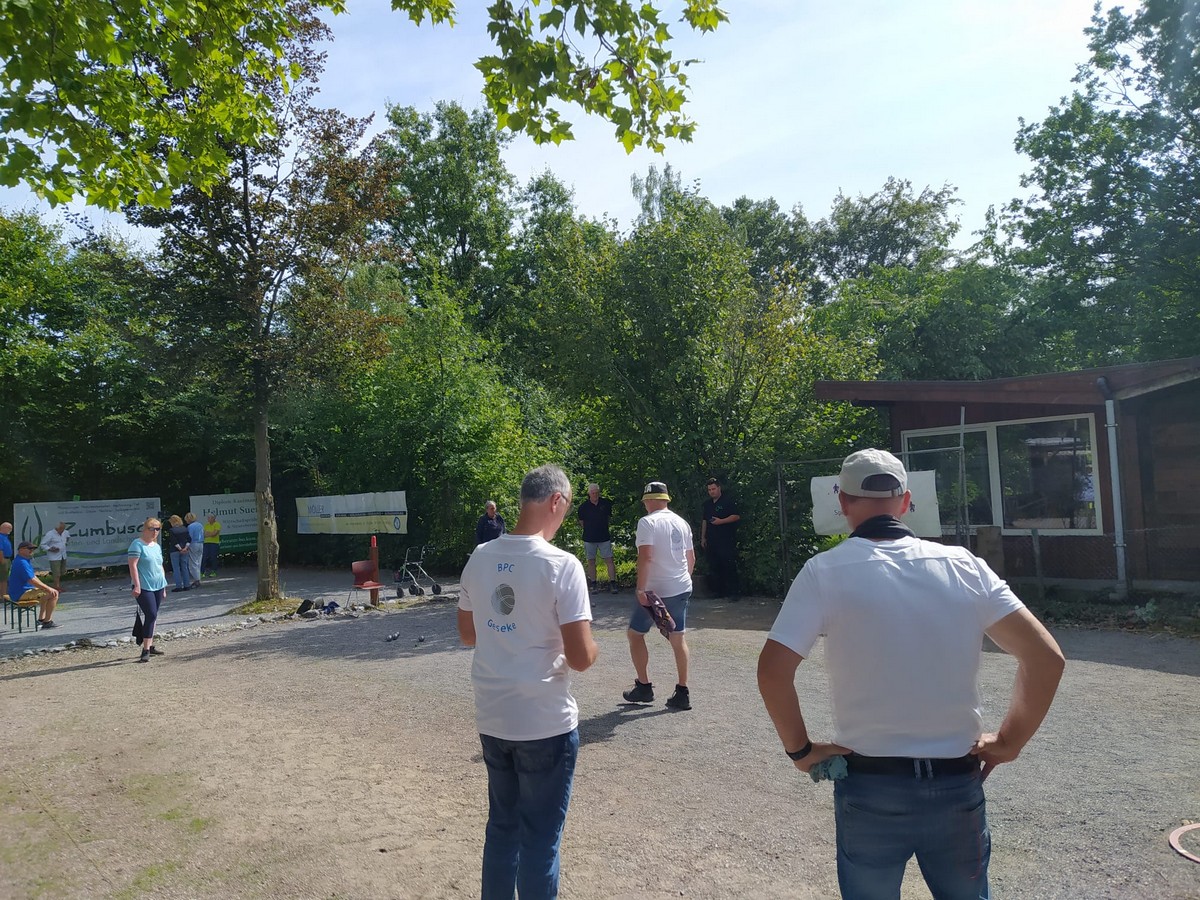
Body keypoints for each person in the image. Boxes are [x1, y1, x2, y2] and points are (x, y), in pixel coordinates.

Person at [757, 449, 1066, 899]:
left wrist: (801, 751)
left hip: (869, 784)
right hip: (956, 780)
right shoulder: (963, 565)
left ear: (841, 502)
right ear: (905, 502)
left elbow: (772, 671)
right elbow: (1045, 658)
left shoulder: (824, 572)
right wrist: (1008, 742)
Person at [458, 464, 599, 900]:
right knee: (540, 838)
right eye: (567, 508)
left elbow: (467, 635)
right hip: (543, 721)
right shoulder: (562, 565)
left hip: (493, 715)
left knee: (502, 829)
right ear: (556, 500)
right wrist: (594, 646)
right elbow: (581, 659)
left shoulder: (479, 557)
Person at [622, 481, 695, 711]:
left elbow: (646, 557)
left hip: (654, 591)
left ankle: (644, 686)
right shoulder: (682, 523)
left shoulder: (647, 522)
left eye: (645, 501)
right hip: (680, 586)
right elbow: (690, 558)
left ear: (650, 500)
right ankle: (682, 692)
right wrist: (682, 581)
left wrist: (641, 589)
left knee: (635, 634)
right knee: (677, 638)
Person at [128, 518, 168, 663]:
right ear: (144, 529)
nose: (155, 532)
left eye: (158, 529)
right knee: (151, 614)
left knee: (153, 616)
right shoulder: (137, 544)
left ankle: (149, 645)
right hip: (144, 586)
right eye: (152, 528)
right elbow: (133, 565)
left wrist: (164, 586)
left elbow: (159, 566)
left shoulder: (156, 546)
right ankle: (145, 650)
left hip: (158, 585)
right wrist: (137, 585)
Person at [701, 476, 741, 601]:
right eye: (709, 490)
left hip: (726, 539)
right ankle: (719, 591)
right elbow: (704, 521)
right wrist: (703, 537)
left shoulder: (727, 501)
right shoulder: (707, 504)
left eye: (713, 489)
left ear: (719, 488)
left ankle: (734, 593)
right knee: (714, 566)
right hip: (712, 540)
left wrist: (721, 521)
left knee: (728, 565)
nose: (711, 492)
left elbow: (736, 516)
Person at [7, 540, 60, 628]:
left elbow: (34, 577)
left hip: (19, 591)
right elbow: (32, 580)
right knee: (54, 594)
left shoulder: (22, 560)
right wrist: (48, 588)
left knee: (46, 592)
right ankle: (47, 622)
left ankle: (41, 619)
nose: (31, 550)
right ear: (21, 550)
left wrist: (46, 587)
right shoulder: (22, 562)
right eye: (29, 548)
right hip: (20, 593)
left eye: (33, 549)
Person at [577, 482, 618, 594]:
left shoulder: (605, 504)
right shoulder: (583, 507)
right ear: (589, 493)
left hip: (604, 537)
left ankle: (613, 583)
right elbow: (581, 522)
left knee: (609, 560)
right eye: (593, 493)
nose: (595, 495)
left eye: (597, 493)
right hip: (589, 538)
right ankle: (594, 584)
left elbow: (609, 518)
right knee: (591, 561)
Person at [40, 522, 70, 591]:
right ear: (56, 528)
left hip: (63, 555)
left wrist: (64, 544)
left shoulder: (66, 532)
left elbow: (68, 537)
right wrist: (50, 549)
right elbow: (42, 544)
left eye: (63, 528)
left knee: (62, 571)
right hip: (54, 557)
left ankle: (56, 585)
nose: (62, 530)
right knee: (56, 573)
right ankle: (56, 587)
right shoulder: (50, 534)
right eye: (61, 529)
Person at [166, 515, 191, 592]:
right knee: (185, 567)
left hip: (175, 551)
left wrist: (180, 549)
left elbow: (174, 541)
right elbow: (189, 539)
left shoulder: (172, 530)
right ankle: (187, 585)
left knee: (176, 568)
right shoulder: (184, 529)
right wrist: (185, 548)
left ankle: (179, 586)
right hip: (185, 549)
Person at [185, 512, 204, 588]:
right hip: (201, 543)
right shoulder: (200, 525)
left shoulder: (190, 527)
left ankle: (197, 580)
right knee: (199, 562)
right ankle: (198, 579)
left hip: (193, 544)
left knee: (193, 563)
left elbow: (190, 537)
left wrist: (186, 546)